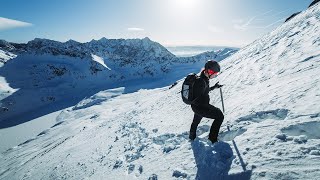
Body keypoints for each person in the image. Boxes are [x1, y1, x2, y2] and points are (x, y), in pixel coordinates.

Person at [189, 60, 224, 143]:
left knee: (195, 122)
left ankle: (191, 137)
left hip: (196, 107)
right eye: (215, 73)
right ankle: (213, 139)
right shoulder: (201, 81)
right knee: (219, 116)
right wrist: (206, 107)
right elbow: (200, 93)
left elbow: (205, 90)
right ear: (209, 71)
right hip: (201, 107)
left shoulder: (203, 78)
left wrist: (214, 87)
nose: (215, 75)